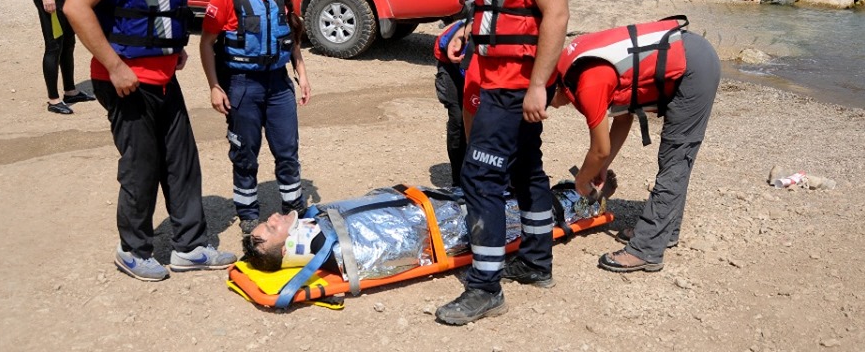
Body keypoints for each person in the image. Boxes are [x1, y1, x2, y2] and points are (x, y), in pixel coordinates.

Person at [63, 0, 236, 282]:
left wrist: (172, 49)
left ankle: (190, 247)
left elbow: (161, 4)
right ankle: (133, 249)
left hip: (161, 76)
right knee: (142, 166)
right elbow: (75, 6)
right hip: (124, 80)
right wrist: (116, 66)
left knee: (182, 161)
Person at [435, 0, 570, 326]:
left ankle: (485, 287)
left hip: (515, 85)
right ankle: (536, 261)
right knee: (525, 167)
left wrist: (537, 85)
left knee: (479, 176)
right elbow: (500, 6)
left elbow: (556, 15)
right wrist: (467, 35)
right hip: (501, 77)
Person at [550, 16, 721, 273]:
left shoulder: (587, 83)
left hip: (693, 68)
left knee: (675, 158)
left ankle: (647, 249)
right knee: (675, 160)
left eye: (544, 104)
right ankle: (665, 231)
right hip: (692, 53)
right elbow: (623, 117)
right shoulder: (572, 65)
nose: (550, 109)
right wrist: (601, 167)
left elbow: (599, 148)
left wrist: (582, 180)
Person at [242, 176, 614, 277]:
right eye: (271, 229)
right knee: (523, 213)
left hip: (436, 203)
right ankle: (587, 197)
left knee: (508, 194)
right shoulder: (339, 252)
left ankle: (577, 191)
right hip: (447, 222)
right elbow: (402, 245)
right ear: (292, 248)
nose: (273, 218)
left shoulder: (319, 219)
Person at [199, 0, 311, 240]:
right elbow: (206, 43)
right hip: (243, 85)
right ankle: (247, 212)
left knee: (287, 150)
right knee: (245, 152)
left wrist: (301, 73)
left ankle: (295, 206)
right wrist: (214, 86)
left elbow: (292, 39)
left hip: (278, 85)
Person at [433, 19, 479, 186]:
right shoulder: (458, 44)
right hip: (451, 64)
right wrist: (460, 36)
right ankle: (458, 181)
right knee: (458, 119)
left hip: (476, 66)